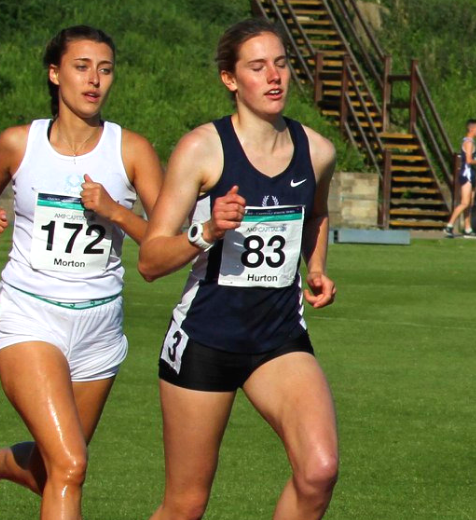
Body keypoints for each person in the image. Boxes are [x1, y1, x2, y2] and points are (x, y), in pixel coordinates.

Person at [0, 26, 164, 519]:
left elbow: (162, 240)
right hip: (30, 318)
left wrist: (115, 210)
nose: (94, 80)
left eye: (105, 69)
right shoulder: (18, 143)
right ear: (55, 74)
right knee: (70, 464)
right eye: (81, 66)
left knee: (54, 469)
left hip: (99, 329)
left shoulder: (131, 150)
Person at [136, 19, 339, 520]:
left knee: (319, 471)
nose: (274, 76)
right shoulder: (202, 149)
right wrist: (205, 231)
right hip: (205, 338)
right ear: (230, 79)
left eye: (281, 63)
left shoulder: (317, 151)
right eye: (257, 66)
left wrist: (315, 266)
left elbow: (315, 215)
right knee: (186, 504)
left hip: (278, 338)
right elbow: (149, 260)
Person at [445, 119, 476, 238]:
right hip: (466, 174)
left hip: (471, 173)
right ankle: (449, 226)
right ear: (472, 129)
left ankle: (468, 228)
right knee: (464, 202)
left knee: (470, 203)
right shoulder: (468, 143)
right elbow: (468, 160)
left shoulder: (471, 142)